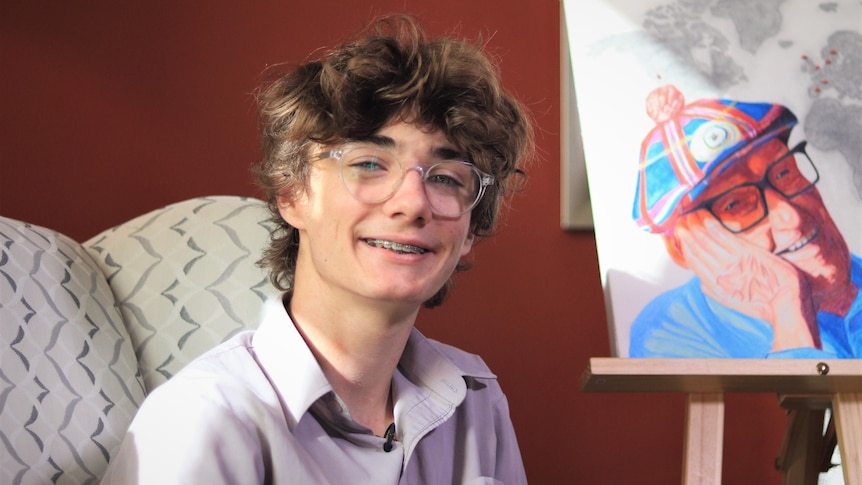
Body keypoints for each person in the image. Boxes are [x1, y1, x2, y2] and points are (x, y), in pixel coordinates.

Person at [101, 14, 533, 484]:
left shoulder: (477, 400)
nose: (413, 203)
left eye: (447, 178)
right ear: (291, 193)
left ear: (470, 229)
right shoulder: (202, 421)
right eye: (369, 163)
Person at [628, 84, 861, 359]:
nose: (792, 217)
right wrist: (788, 310)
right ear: (682, 247)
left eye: (785, 173)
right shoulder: (668, 333)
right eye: (736, 204)